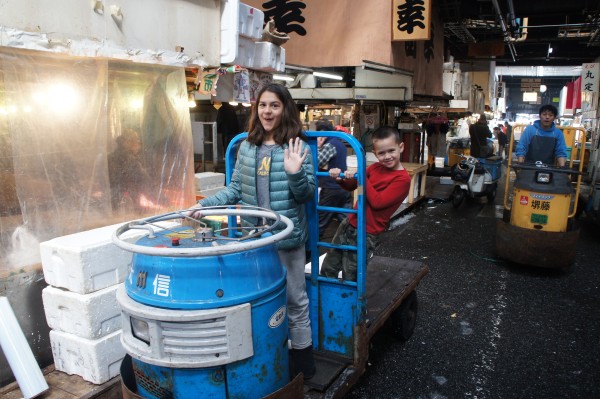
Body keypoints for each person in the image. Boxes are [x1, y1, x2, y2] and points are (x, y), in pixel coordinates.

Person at [190, 83, 317, 379]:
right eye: (263, 105)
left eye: (274, 105)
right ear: (256, 109)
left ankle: (303, 367)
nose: (267, 111)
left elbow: (306, 195)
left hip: (287, 241)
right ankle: (266, 360)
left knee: (295, 300)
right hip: (254, 242)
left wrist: (295, 172)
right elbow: (235, 189)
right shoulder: (247, 146)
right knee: (258, 301)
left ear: (285, 108)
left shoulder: (297, 147)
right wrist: (206, 205)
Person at [320, 126, 411, 282]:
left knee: (351, 273)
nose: (387, 156)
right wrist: (340, 178)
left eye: (391, 151)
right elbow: (354, 186)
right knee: (329, 266)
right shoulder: (374, 168)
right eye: (381, 153)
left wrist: (361, 175)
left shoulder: (402, 180)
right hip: (350, 222)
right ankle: (326, 302)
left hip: (367, 232)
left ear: (400, 147)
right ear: (375, 154)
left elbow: (377, 202)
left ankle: (351, 305)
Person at [315, 119, 350, 237]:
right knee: (346, 220)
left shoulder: (330, 145)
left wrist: (317, 146)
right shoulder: (339, 143)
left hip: (331, 189)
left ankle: (310, 251)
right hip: (343, 187)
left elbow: (316, 161)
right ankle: (354, 245)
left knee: (320, 222)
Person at [108, 129, 150, 211]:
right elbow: (147, 183)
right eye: (136, 141)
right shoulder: (130, 160)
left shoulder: (109, 157)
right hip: (127, 206)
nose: (139, 144)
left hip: (111, 203)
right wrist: (165, 202)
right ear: (126, 142)